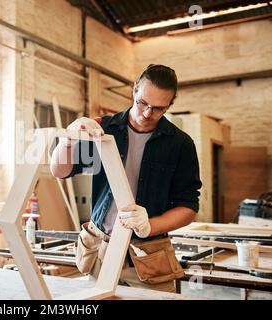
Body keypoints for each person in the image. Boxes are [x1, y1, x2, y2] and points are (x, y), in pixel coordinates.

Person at [50, 64, 202, 293]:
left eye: (159, 108)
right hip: (99, 249)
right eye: (143, 103)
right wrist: (67, 141)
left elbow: (188, 208)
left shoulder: (180, 144)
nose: (147, 113)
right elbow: (60, 171)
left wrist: (150, 225)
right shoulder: (103, 130)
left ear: (170, 104)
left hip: (146, 256)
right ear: (134, 90)